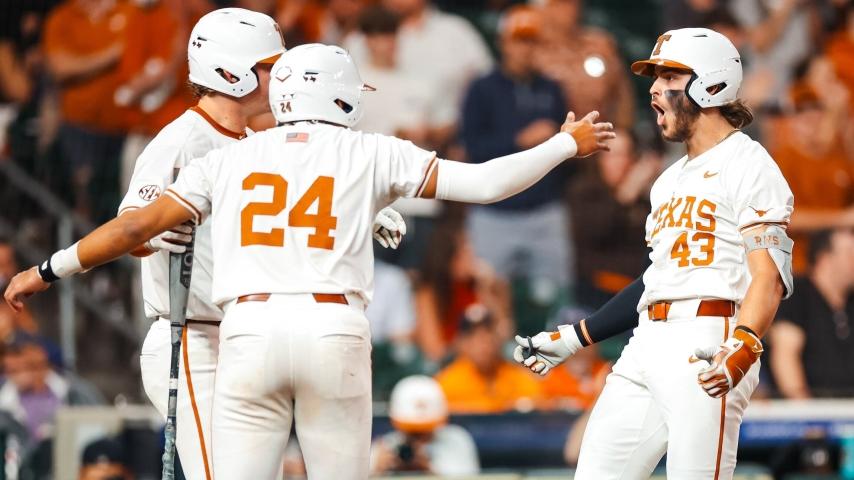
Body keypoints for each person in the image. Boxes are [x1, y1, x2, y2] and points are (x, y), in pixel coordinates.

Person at [4, 43, 614, 478]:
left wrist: (48, 269)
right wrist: (564, 144)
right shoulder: (370, 150)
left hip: (247, 332)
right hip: (332, 328)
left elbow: (135, 226)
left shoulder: (229, 156)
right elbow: (486, 184)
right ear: (340, 95)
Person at [116, 9, 405, 480]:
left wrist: (362, 212)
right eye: (271, 66)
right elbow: (131, 225)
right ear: (231, 73)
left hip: (243, 339)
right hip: (190, 337)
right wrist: (151, 235)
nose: (282, 76)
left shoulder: (256, 142)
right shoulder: (181, 140)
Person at [514, 28, 794, 478]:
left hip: (710, 337)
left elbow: (769, 275)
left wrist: (744, 342)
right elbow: (657, 279)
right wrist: (575, 337)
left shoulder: (750, 162)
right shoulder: (668, 180)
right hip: (646, 340)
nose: (654, 89)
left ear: (711, 83)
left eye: (669, 77)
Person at [461, 5, 574, 292]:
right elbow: (472, 148)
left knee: (553, 296)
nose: (525, 49)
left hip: (544, 210)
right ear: (503, 43)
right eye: (519, 41)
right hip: (494, 211)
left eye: (532, 41)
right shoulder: (482, 89)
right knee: (487, 297)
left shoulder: (551, 89)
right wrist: (518, 141)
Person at [42, 0, 132, 221]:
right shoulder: (63, 17)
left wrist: (84, 63)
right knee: (85, 202)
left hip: (129, 129)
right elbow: (60, 68)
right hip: (81, 131)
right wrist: (113, 53)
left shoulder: (129, 9)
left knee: (126, 202)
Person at [768, 228, 854, 398]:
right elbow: (785, 355)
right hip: (811, 408)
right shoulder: (796, 294)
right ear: (825, 259)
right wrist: (804, 409)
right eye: (849, 255)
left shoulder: (849, 301)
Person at [415, 223, 512, 363]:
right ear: (447, 259)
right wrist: (470, 345)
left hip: (486, 362)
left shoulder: (481, 285)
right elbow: (434, 350)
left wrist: (486, 290)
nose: (471, 258)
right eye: (464, 253)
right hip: (451, 366)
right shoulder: (429, 293)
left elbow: (504, 332)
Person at [534, 0, 634, 128]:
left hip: (598, 129)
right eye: (561, 3)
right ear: (544, 9)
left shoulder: (600, 45)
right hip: (554, 134)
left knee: (620, 139)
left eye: (574, 3)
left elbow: (622, 94)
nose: (570, 9)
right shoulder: (533, 49)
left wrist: (622, 129)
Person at [435, 304, 541, 413]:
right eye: (472, 335)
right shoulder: (447, 382)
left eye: (488, 332)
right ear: (461, 342)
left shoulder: (518, 377)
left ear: (498, 338)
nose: (482, 341)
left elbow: (537, 403)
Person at [371, 375, 479, 475]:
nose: (418, 442)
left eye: (425, 432)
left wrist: (429, 470)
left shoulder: (456, 441)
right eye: (412, 433)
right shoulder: (384, 447)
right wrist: (376, 472)